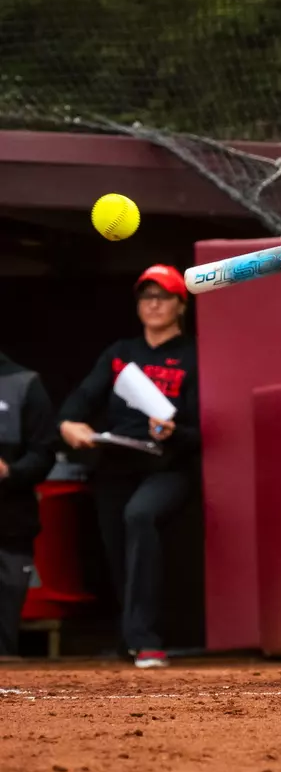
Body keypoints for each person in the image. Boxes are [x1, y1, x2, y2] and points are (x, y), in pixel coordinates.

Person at [59, 264, 200, 668]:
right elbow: (77, 405)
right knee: (117, 546)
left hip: (168, 464)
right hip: (117, 461)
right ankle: (131, 636)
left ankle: (146, 639)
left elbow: (203, 431)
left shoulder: (194, 354)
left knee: (140, 515)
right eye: (146, 297)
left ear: (180, 304)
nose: (154, 305)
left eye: (163, 297)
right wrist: (71, 426)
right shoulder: (121, 352)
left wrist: (171, 432)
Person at [0, 353, 56, 658]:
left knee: (3, 640)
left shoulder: (23, 382)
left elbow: (44, 452)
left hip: (9, 523)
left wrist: (10, 471)